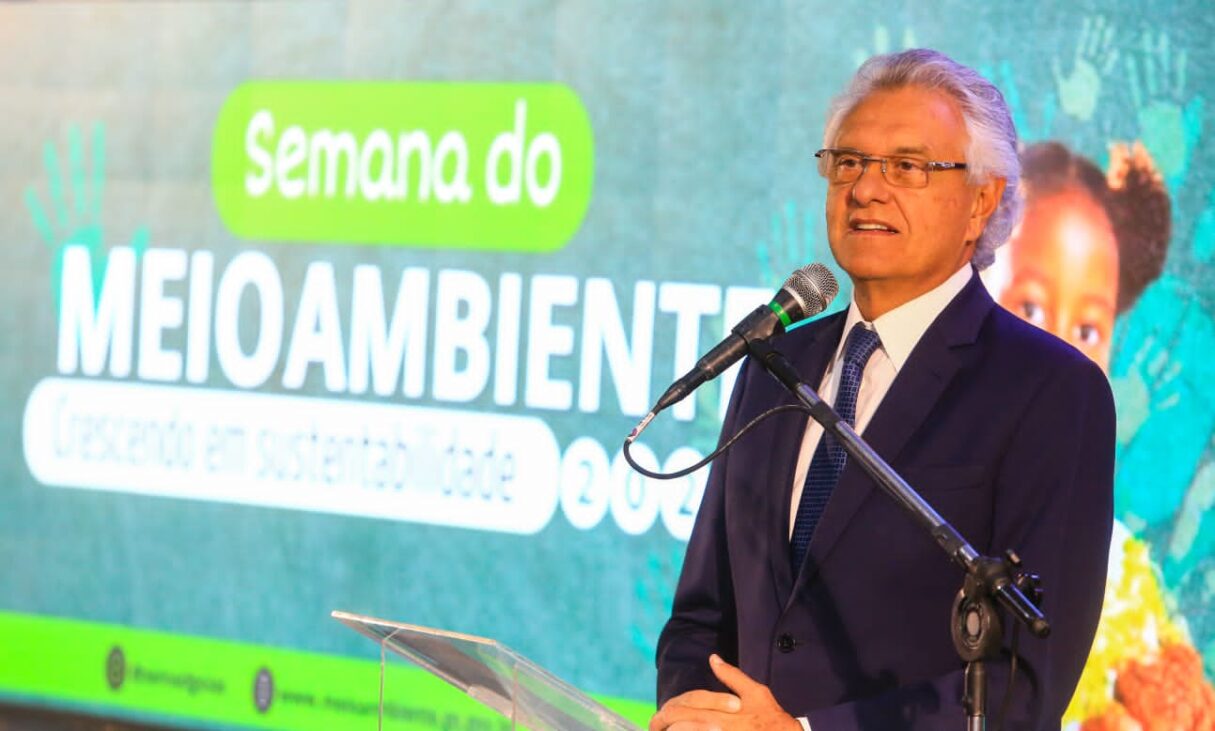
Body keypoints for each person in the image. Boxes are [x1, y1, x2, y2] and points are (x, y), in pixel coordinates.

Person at [651, 49, 1116, 730]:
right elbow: (702, 616)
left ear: (981, 200)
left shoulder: (1050, 390)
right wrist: (693, 714)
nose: (865, 188)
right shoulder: (774, 365)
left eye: (906, 166)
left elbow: (1022, 680)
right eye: (848, 162)